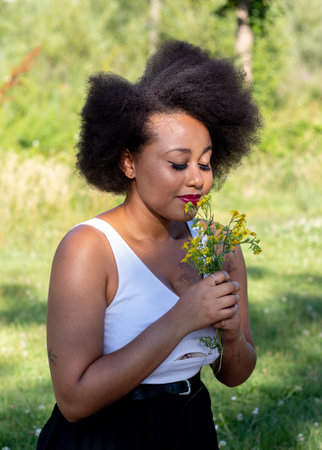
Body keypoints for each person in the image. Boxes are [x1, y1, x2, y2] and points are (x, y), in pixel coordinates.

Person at [37, 40, 261, 450]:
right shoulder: (90, 249)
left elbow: (235, 373)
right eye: (178, 163)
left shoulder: (220, 245)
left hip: (191, 428)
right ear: (128, 163)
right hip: (105, 436)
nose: (197, 180)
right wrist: (183, 317)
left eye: (206, 162)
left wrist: (231, 338)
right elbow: (73, 399)